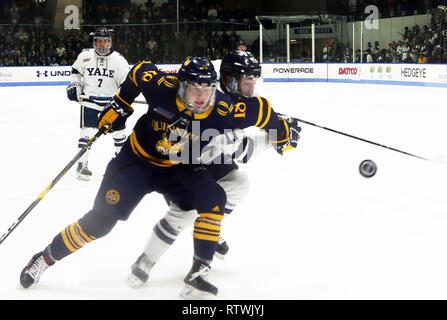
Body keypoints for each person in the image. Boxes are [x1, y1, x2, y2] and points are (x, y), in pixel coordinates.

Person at [19, 56, 300, 298]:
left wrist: (284, 133)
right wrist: (121, 104)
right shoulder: (162, 87)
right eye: (194, 88)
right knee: (100, 223)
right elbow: (140, 70)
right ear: (180, 85)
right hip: (136, 163)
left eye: (208, 87)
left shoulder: (225, 109)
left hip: (179, 167)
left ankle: (198, 274)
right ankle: (44, 258)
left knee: (214, 197)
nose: (202, 96)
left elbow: (264, 112)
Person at [125, 51, 300, 291]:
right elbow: (242, 152)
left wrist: (276, 126)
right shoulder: (217, 107)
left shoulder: (224, 84)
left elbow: (247, 121)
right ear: (230, 80)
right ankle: (144, 262)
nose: (251, 88)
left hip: (204, 155)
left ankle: (208, 223)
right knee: (184, 212)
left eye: (253, 82)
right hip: (178, 162)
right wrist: (275, 138)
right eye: (247, 83)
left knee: (238, 183)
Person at [66, 27, 130, 181]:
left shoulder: (119, 60)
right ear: (94, 42)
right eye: (99, 41)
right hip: (89, 102)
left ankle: (120, 166)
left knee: (119, 134)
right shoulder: (85, 56)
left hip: (112, 105)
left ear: (110, 42)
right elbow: (76, 73)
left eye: (105, 41)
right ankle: (82, 165)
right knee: (87, 133)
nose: (102, 44)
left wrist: (122, 100)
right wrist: (75, 85)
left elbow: (126, 84)